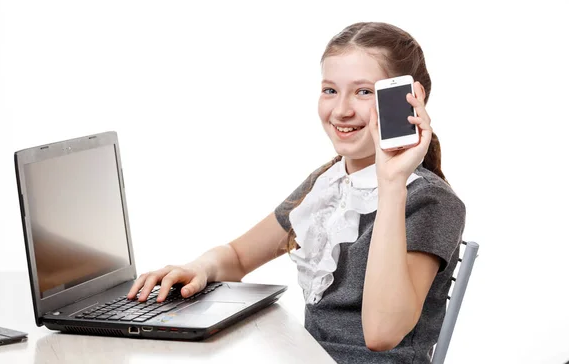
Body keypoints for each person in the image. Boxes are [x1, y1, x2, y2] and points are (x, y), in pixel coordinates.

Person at [127, 22, 466, 364]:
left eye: (364, 92)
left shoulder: (430, 200)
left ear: (410, 100)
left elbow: (381, 334)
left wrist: (391, 183)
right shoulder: (329, 181)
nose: (341, 110)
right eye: (330, 90)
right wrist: (200, 266)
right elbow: (239, 257)